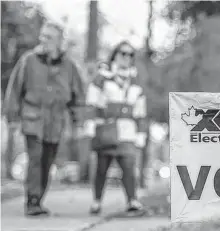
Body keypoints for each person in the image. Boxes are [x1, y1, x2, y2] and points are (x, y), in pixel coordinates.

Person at [3, 20, 86, 216]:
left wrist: (79, 121)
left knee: (47, 162)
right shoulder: (28, 60)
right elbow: (14, 90)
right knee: (35, 158)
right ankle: (32, 200)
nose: (43, 40)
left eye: (49, 37)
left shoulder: (69, 67)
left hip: (55, 123)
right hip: (33, 118)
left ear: (59, 41)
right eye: (42, 36)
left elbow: (78, 97)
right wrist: (12, 117)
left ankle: (38, 199)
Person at [85, 41, 147, 214]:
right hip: (107, 128)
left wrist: (141, 133)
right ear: (115, 54)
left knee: (128, 165)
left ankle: (132, 200)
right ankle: (97, 200)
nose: (126, 58)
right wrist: (90, 125)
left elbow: (140, 110)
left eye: (130, 55)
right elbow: (91, 103)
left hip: (127, 130)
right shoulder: (102, 77)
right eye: (122, 53)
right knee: (102, 166)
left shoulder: (135, 81)